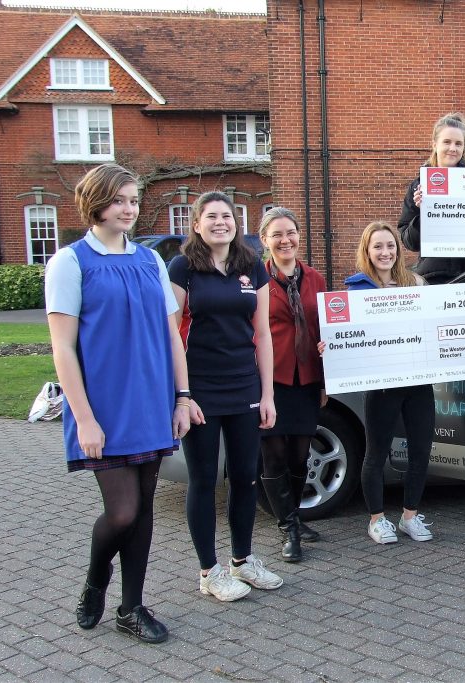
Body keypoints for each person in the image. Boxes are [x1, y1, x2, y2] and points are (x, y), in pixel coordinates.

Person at [46, 163, 188, 643]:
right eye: (119, 200)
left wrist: (182, 397)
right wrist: (83, 417)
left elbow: (171, 334)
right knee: (122, 511)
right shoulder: (70, 262)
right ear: (95, 203)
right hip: (102, 406)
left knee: (144, 508)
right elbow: (63, 347)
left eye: (133, 200)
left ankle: (132, 607)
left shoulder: (151, 262)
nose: (129, 208)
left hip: (152, 401)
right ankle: (96, 577)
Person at [169, 191, 283, 601]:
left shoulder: (251, 264)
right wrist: (182, 395)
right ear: (197, 224)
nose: (221, 222)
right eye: (211, 216)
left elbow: (264, 334)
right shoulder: (183, 267)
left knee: (245, 478)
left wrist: (267, 393)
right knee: (203, 479)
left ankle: (243, 560)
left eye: (228, 216)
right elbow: (170, 333)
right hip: (200, 388)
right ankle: (208, 571)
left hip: (244, 387)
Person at [345, 221, 465, 544]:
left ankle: (410, 516)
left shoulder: (418, 283)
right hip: (383, 386)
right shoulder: (357, 290)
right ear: (367, 252)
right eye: (378, 246)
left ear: (398, 250)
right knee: (376, 452)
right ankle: (377, 520)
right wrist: (332, 344)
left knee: (422, 450)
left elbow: (443, 323)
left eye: (390, 246)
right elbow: (346, 337)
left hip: (418, 382)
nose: (385, 252)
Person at [258, 208, 327, 563]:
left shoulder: (315, 278)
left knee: (301, 454)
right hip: (270, 379)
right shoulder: (255, 278)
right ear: (265, 241)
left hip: (307, 377)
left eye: (291, 232)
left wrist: (326, 379)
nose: (285, 240)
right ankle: (288, 527)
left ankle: (294, 515)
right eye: (277, 234)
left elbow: (326, 330)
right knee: (274, 454)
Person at [398, 112, 465, 284]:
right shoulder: (418, 186)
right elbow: (409, 242)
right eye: (447, 142)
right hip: (435, 280)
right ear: (434, 145)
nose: (453, 148)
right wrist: (425, 213)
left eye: (459, 144)